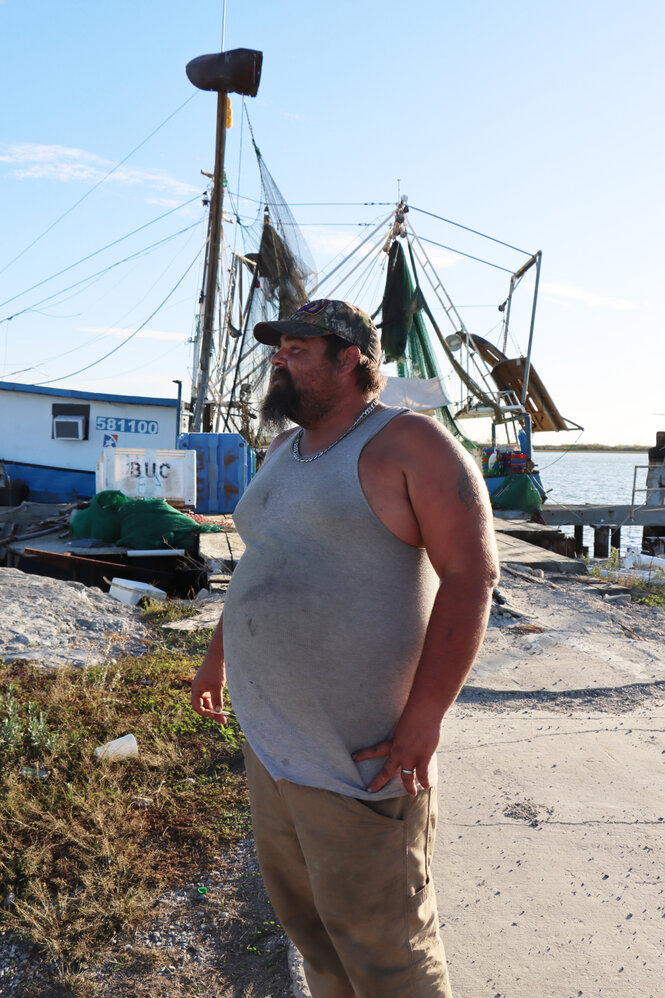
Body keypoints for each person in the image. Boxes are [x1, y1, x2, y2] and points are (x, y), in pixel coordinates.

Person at [191, 299, 500, 998]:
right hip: (272, 746)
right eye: (278, 347)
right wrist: (218, 656)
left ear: (349, 357)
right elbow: (263, 561)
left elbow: (471, 574)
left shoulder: (409, 443)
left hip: (357, 754)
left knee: (387, 950)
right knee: (312, 933)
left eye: (297, 348)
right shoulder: (281, 451)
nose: (278, 358)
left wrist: (423, 722)